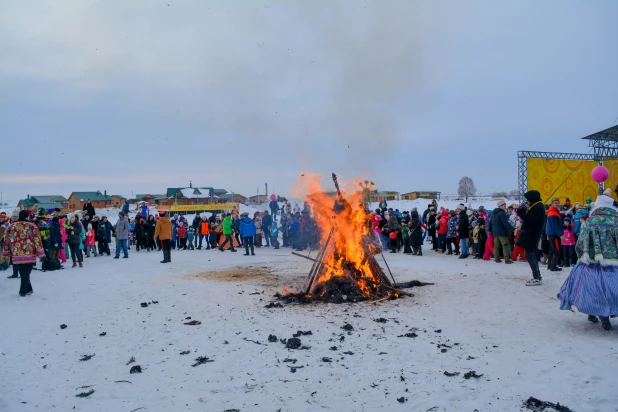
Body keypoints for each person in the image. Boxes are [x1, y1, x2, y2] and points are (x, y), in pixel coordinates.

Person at [558, 191, 618, 330]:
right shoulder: (616, 220)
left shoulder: (590, 221)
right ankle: (606, 314)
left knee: (592, 289)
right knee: (612, 289)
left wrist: (580, 255)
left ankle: (596, 314)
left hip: (592, 263)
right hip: (614, 264)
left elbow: (581, 243)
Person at [3, 210, 45, 296]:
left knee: (23, 272)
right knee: (25, 273)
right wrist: (41, 253)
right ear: (27, 217)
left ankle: (29, 289)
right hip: (29, 252)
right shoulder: (32, 226)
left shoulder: (11, 226)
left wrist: (6, 251)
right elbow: (37, 239)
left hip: (16, 253)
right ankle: (22, 291)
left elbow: (6, 239)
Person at [516, 190, 546, 286]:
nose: (527, 201)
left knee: (529, 254)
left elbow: (530, 221)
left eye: (528, 199)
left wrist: (522, 214)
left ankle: (537, 277)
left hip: (532, 234)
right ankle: (537, 276)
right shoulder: (537, 206)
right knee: (529, 254)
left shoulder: (537, 207)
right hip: (532, 234)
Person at [489, 200, 516, 264]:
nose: (505, 206)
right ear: (500, 206)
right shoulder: (502, 213)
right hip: (502, 232)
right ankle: (507, 260)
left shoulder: (494, 213)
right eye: (503, 205)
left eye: (505, 205)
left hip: (495, 232)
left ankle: (497, 258)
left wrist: (490, 230)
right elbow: (505, 223)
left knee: (496, 246)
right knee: (505, 245)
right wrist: (513, 229)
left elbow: (490, 222)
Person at [546, 198, 564, 272]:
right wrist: (561, 234)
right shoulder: (553, 213)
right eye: (555, 203)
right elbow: (554, 225)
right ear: (552, 204)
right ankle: (553, 267)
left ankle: (550, 265)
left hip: (551, 233)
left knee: (552, 250)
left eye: (558, 203)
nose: (557, 204)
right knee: (556, 250)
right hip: (554, 234)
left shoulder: (554, 212)